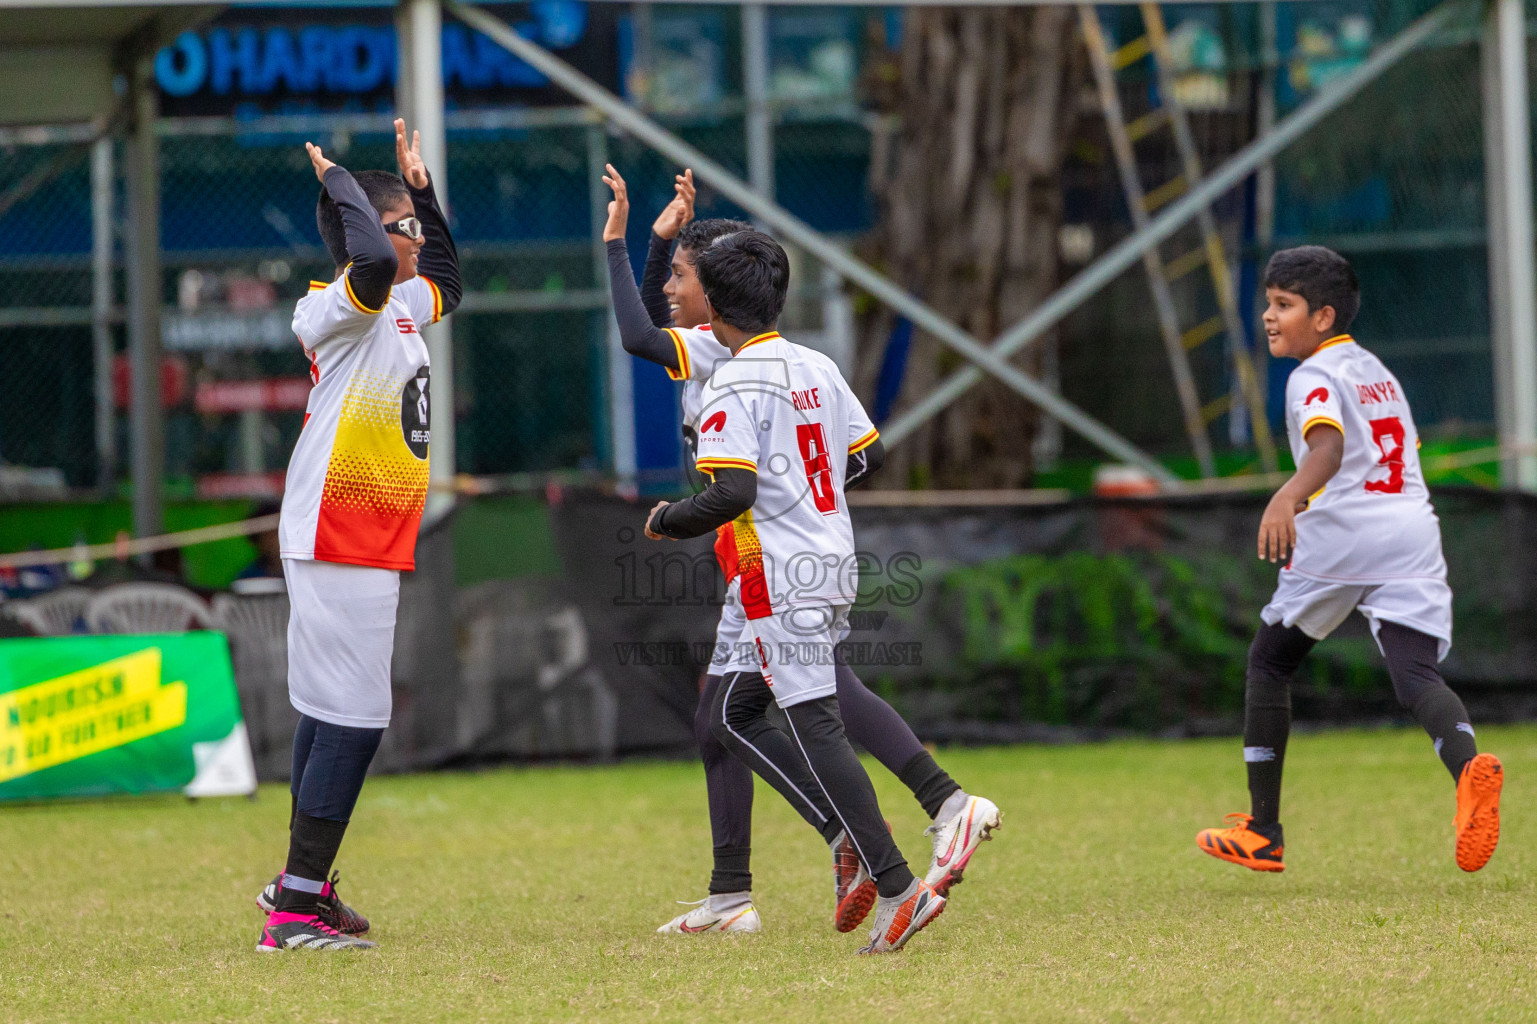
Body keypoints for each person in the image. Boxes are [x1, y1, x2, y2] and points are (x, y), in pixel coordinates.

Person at [603, 167, 999, 939]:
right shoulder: (808, 360)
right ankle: (745, 889)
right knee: (726, 715)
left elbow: (643, 344)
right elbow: (862, 456)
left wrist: (669, 520)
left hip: (772, 564)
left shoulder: (728, 372)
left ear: (715, 297)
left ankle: (901, 849)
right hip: (810, 554)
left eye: (683, 275)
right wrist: (810, 494)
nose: (673, 289)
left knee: (811, 714)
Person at [1195, 246, 1502, 874]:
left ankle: (1264, 832)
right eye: (1269, 303)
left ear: (1324, 316)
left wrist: (1287, 496)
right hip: (1413, 529)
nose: (1269, 316)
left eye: (1285, 305)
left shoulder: (1313, 376)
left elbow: (1329, 449)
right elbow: (1399, 447)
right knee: (1415, 675)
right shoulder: (1375, 370)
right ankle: (1469, 765)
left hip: (1344, 532)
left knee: (1271, 660)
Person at [254, 119, 461, 952]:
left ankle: (299, 887)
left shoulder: (401, 305)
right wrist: (339, 181)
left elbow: (445, 276)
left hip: (358, 530)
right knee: (356, 714)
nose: (413, 235)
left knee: (330, 708)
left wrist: (429, 197)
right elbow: (373, 260)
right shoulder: (334, 304)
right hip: (340, 527)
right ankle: (295, 913)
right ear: (369, 233)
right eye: (404, 220)